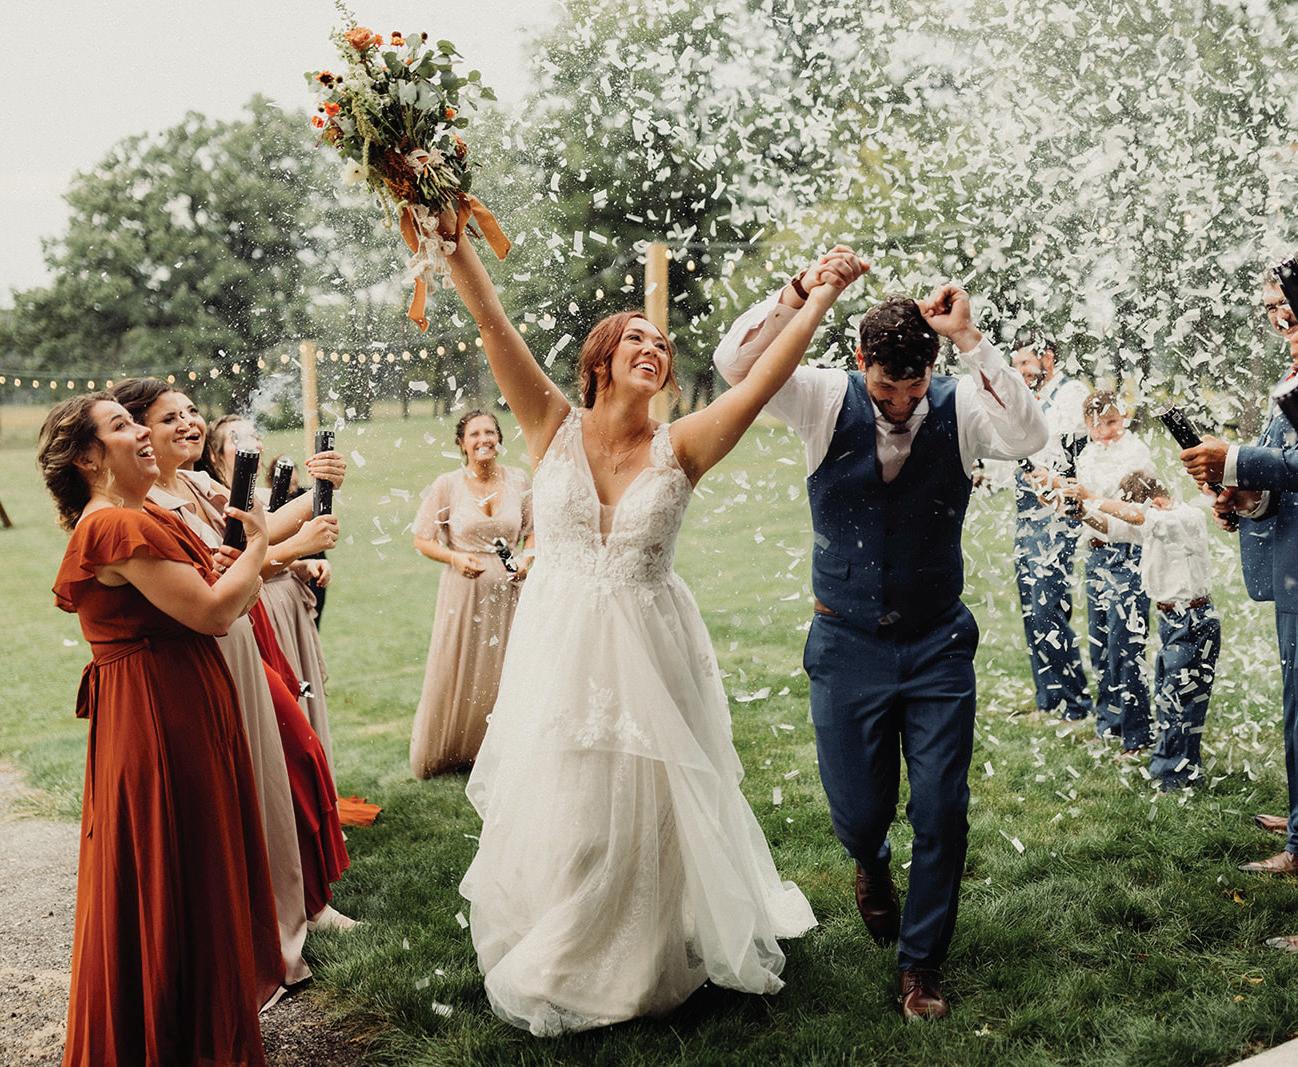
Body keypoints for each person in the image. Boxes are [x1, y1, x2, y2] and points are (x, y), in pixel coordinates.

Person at [442, 227, 865, 1036]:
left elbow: (761, 382)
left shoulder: (684, 445)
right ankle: (564, 941)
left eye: (662, 344)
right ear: (600, 361)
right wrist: (448, 236)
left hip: (650, 648)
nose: (654, 348)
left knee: (648, 809)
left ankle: (641, 957)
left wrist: (818, 300)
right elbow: (493, 322)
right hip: (560, 652)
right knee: (571, 807)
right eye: (636, 337)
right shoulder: (550, 424)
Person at [715, 274, 1047, 1020]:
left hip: (937, 642)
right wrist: (798, 295)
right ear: (860, 360)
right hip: (846, 640)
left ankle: (921, 964)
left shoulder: (962, 406)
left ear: (931, 368)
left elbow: (1030, 436)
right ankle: (868, 860)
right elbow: (735, 365)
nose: (899, 403)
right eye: (885, 387)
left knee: (942, 808)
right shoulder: (820, 397)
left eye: (913, 386)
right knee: (859, 812)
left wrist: (970, 339)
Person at [38, 393, 282, 1066]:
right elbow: (213, 612)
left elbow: (220, 596)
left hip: (175, 699)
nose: (143, 432)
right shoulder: (114, 525)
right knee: (175, 869)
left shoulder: (137, 515)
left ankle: (190, 1032)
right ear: (89, 458)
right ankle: (176, 1041)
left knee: (191, 868)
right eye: (122, 426)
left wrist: (237, 574)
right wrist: (259, 545)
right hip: (157, 715)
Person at [112, 379, 356, 942]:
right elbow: (230, 568)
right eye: (169, 418)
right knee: (279, 763)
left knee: (296, 757)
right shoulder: (148, 504)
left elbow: (258, 527)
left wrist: (323, 484)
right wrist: (297, 549)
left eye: (191, 412)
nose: (189, 423)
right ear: (139, 432)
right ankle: (281, 908)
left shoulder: (196, 482)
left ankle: (308, 899)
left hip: (249, 628)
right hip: (214, 645)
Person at [1181, 265, 1298, 887]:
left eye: (1286, 304)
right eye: (1270, 307)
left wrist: (1235, 458)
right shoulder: (1290, 375)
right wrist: (1244, 499)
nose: (1280, 318)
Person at [200, 415, 341, 770]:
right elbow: (236, 566)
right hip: (255, 610)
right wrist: (299, 547)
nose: (254, 444)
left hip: (288, 608)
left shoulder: (263, 497)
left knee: (302, 700)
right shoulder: (212, 502)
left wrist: (300, 565)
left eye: (255, 436)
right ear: (214, 454)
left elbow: (277, 542)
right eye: (238, 438)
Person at [1069, 471, 1219, 789]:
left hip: (1192, 620)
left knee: (1179, 698)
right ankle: (1175, 768)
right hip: (1173, 620)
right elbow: (1113, 528)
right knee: (1169, 696)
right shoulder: (1156, 522)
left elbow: (1136, 516)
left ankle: (1175, 776)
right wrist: (1080, 510)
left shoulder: (1182, 517)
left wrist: (1090, 495)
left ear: (1156, 501)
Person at [410, 409, 534, 777]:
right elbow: (422, 539)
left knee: (506, 667)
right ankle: (454, 749)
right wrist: (454, 557)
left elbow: (533, 531)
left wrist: (527, 558)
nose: (484, 440)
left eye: (490, 432)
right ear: (462, 444)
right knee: (459, 666)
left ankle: (502, 748)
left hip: (511, 591)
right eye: (475, 434)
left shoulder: (519, 480)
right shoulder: (447, 485)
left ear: (499, 438)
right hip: (463, 592)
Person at [1011, 336, 1093, 721]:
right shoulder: (1029, 395)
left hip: (1057, 512)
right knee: (1031, 605)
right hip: (1026, 510)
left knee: (1048, 605)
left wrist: (1051, 479)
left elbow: (1075, 453)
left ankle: (1074, 703)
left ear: (1048, 356)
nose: (1020, 372)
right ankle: (1048, 698)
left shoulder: (1071, 393)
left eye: (1025, 363)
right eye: (1016, 365)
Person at [1073, 390, 1154, 751]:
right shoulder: (1087, 455)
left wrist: (1090, 499)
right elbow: (1087, 506)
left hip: (1128, 553)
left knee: (1126, 645)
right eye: (1096, 424)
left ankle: (1137, 732)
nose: (1104, 431)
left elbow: (1132, 511)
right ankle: (1109, 722)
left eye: (1111, 422)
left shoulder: (1136, 453)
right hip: (1096, 554)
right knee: (1100, 642)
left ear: (1123, 418)